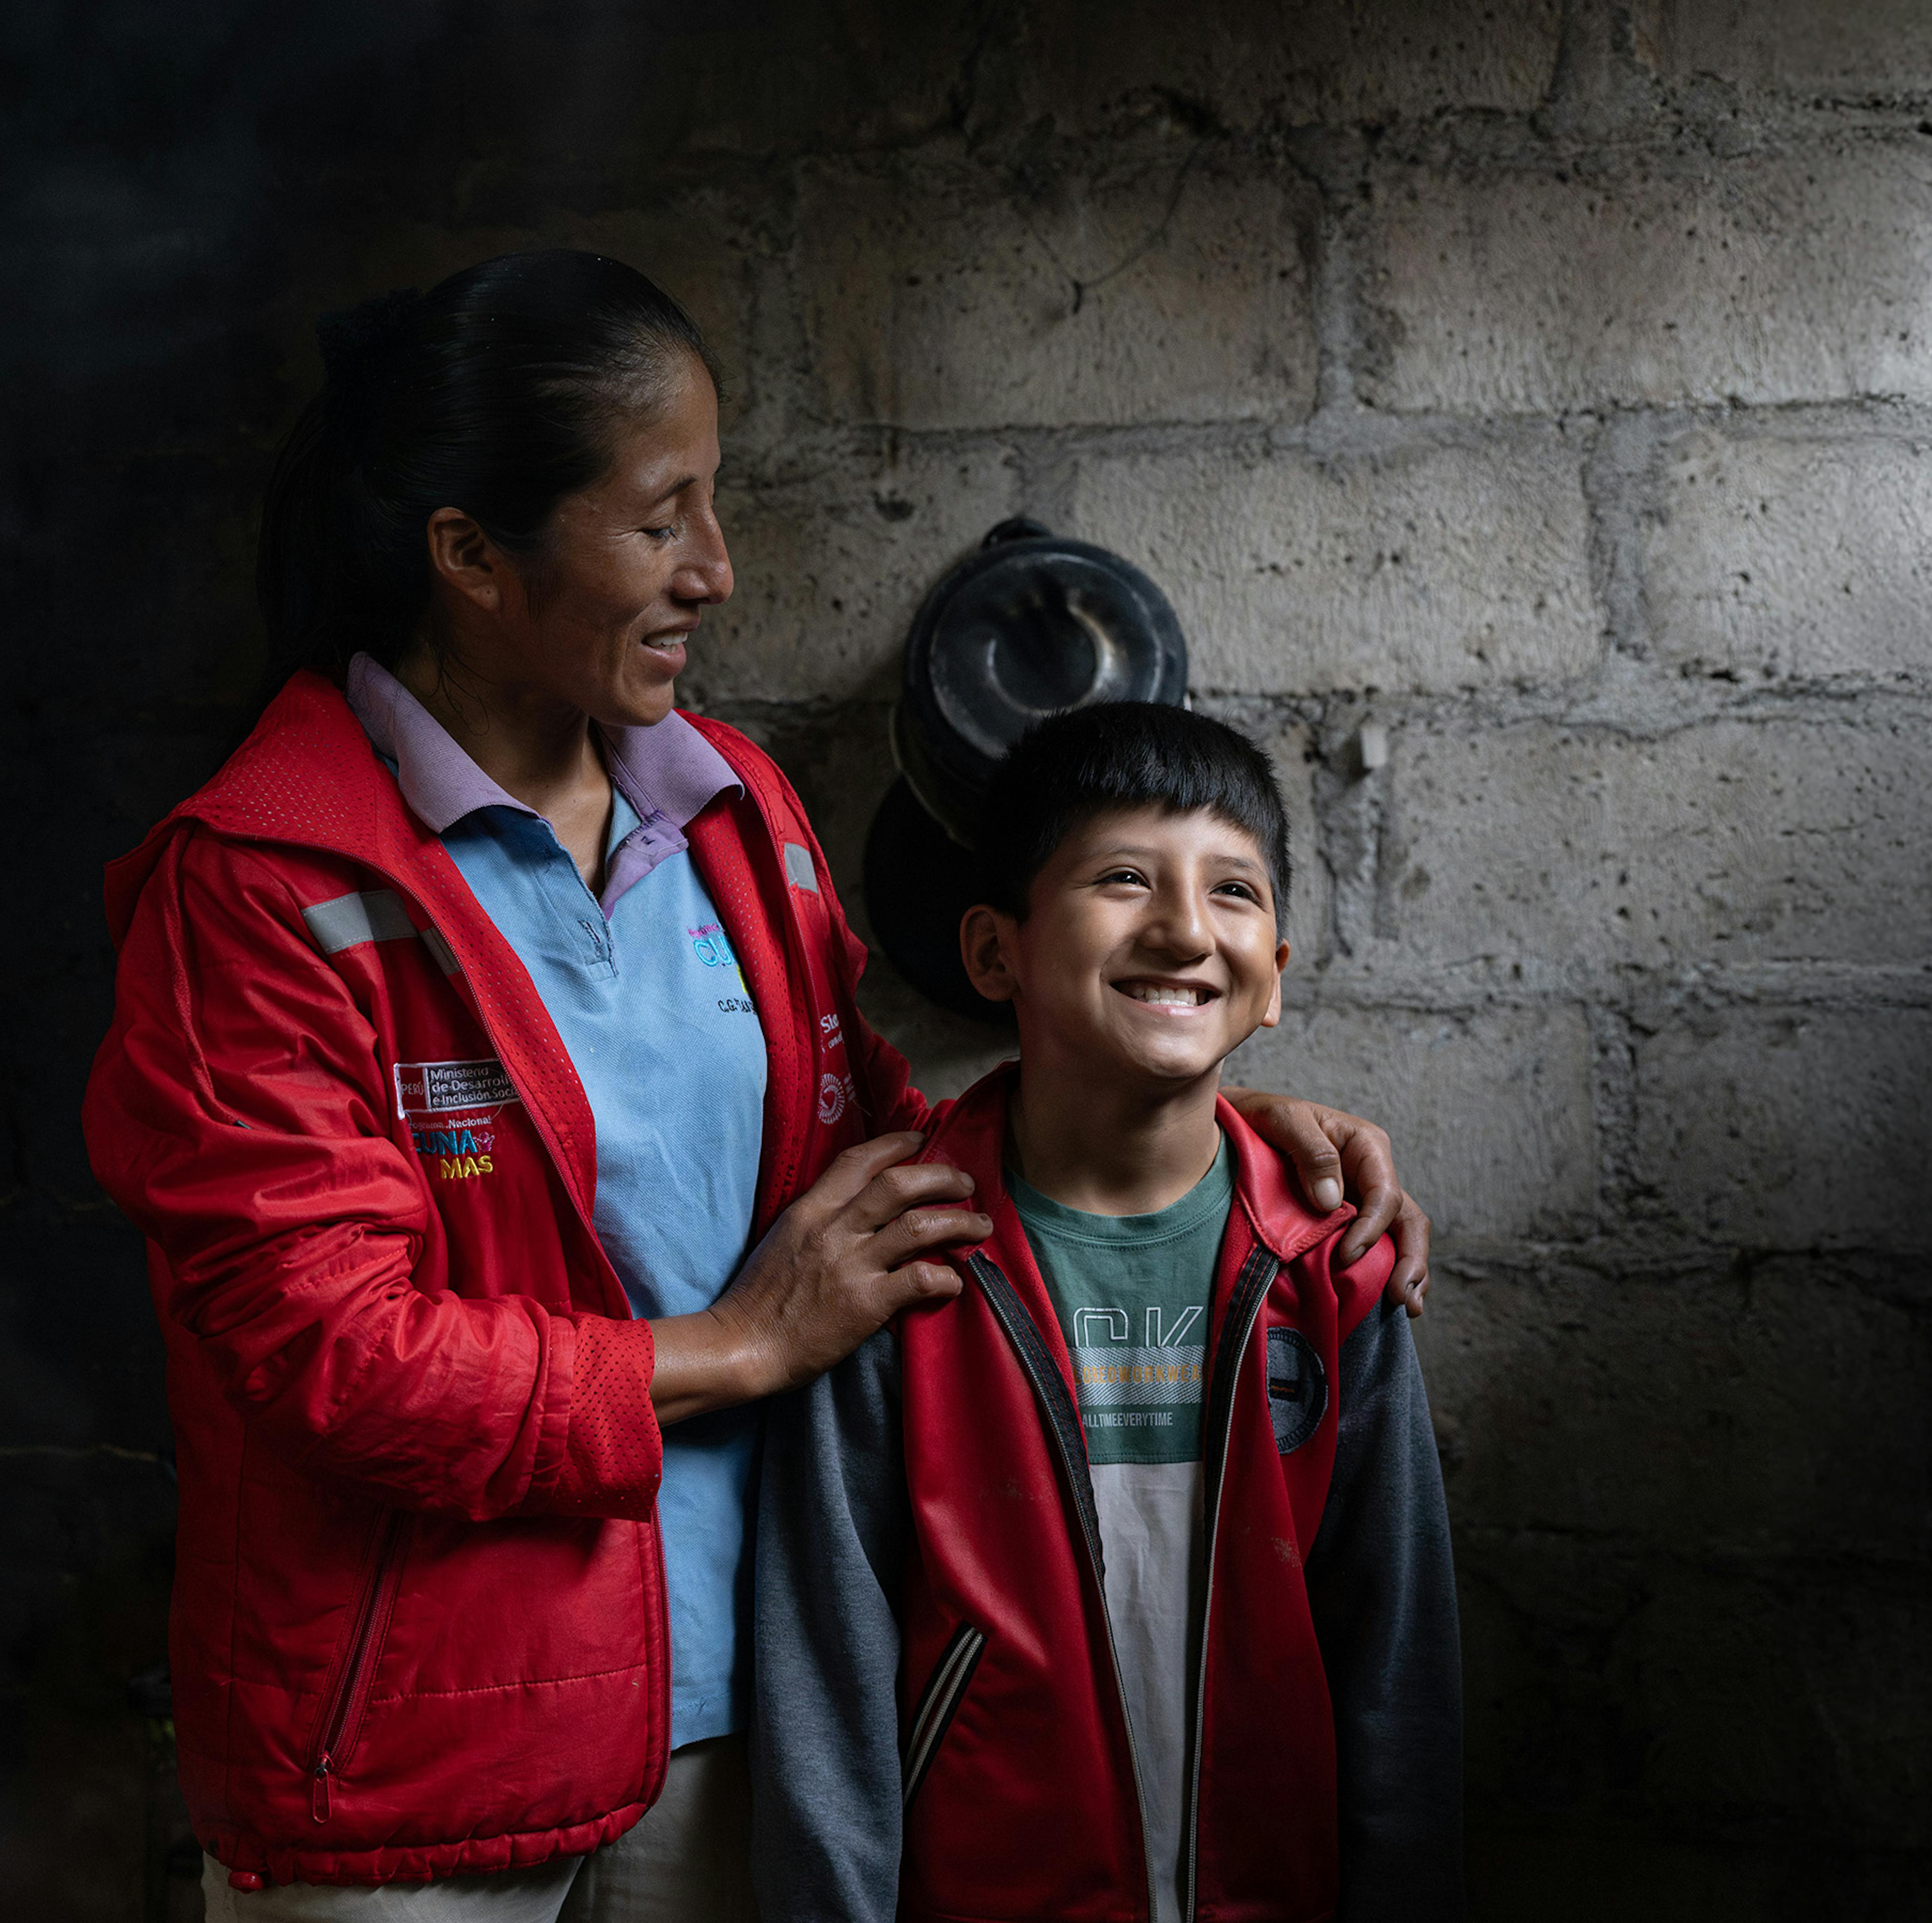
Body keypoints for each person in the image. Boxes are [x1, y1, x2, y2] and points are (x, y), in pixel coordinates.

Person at [82, 250, 1430, 1918]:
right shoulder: (263, 884)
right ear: (469, 558)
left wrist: (1205, 1138)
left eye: (709, 509)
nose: (714, 571)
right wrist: (738, 1345)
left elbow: (874, 1151)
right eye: (660, 520)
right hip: (415, 1767)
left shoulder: (732, 811)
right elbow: (335, 1361)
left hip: (728, 1715)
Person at [752, 703, 1461, 1923]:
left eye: (1235, 892)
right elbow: (826, 1668)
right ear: (994, 953)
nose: (1185, 927)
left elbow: (1398, 1658)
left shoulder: (1331, 1270)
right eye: (1124, 879)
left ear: (1275, 980)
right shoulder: (892, 1263)